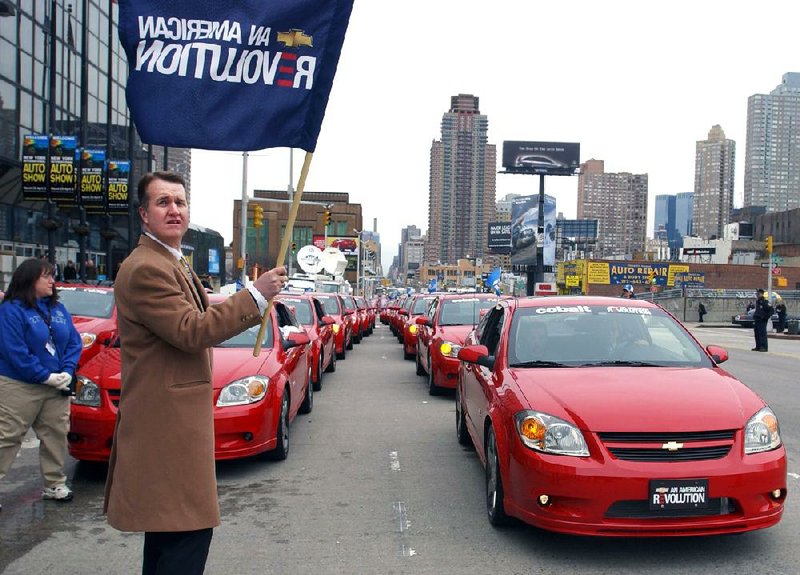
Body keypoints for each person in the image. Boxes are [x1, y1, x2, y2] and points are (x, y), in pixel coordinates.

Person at [103, 171, 288, 575]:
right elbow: (192, 330)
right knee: (186, 535)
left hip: (174, 425)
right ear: (144, 214)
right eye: (163, 202)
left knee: (172, 535)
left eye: (180, 202)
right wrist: (255, 294)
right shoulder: (147, 268)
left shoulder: (170, 259)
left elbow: (198, 320)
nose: (174, 210)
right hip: (166, 429)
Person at [0, 258, 83, 512]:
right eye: (45, 276)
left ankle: (54, 482)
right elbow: (14, 350)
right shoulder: (11, 310)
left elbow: (73, 342)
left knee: (56, 434)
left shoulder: (58, 309)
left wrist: (67, 371)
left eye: (52, 275)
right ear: (29, 279)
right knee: (8, 436)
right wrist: (43, 375)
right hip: (19, 384)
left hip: (56, 386)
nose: (51, 281)